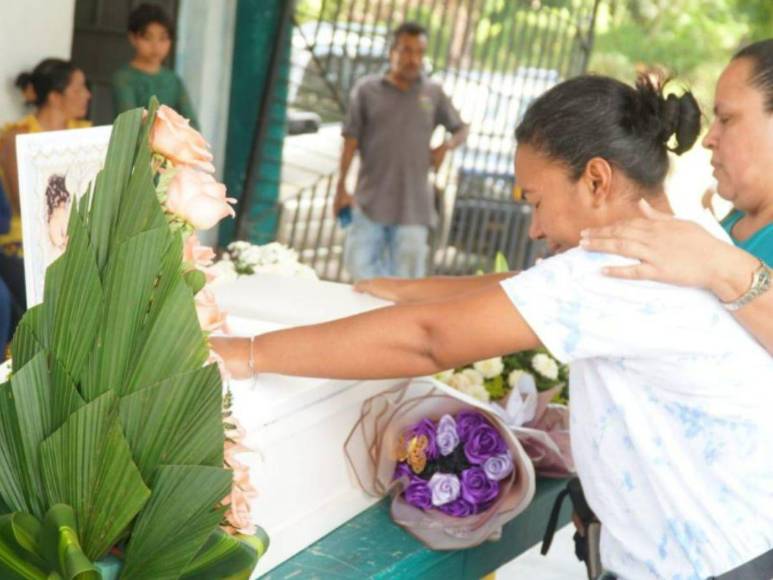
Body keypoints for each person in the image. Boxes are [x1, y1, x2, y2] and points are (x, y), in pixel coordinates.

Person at [213, 74, 773, 578]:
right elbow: (523, 288)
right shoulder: (682, 233)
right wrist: (405, 290)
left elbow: (429, 340)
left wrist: (248, 352)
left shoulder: (614, 268)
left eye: (536, 200)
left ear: (597, 181)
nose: (533, 227)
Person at [580, 39, 773, 355]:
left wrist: (718, 264)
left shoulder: (715, 250)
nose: (709, 139)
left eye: (727, 119)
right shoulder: (735, 224)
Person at [335, 22, 469, 281]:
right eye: (407, 51)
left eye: (419, 52)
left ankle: (391, 314)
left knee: (408, 281)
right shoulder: (366, 90)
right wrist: (341, 188)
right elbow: (350, 141)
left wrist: (446, 146)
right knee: (357, 269)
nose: (413, 59)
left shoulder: (433, 92)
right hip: (369, 201)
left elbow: (461, 129)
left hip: (414, 207)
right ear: (392, 52)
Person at [0, 58, 91, 334]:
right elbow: (25, 204)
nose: (87, 94)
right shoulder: (18, 137)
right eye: (79, 88)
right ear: (54, 96)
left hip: (71, 243)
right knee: (55, 304)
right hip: (23, 244)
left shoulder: (85, 134)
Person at [111, 3, 199, 126]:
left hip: (171, 143)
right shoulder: (124, 78)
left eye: (163, 38)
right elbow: (131, 122)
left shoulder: (174, 81)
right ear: (133, 38)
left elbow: (192, 124)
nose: (156, 46)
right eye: (148, 38)